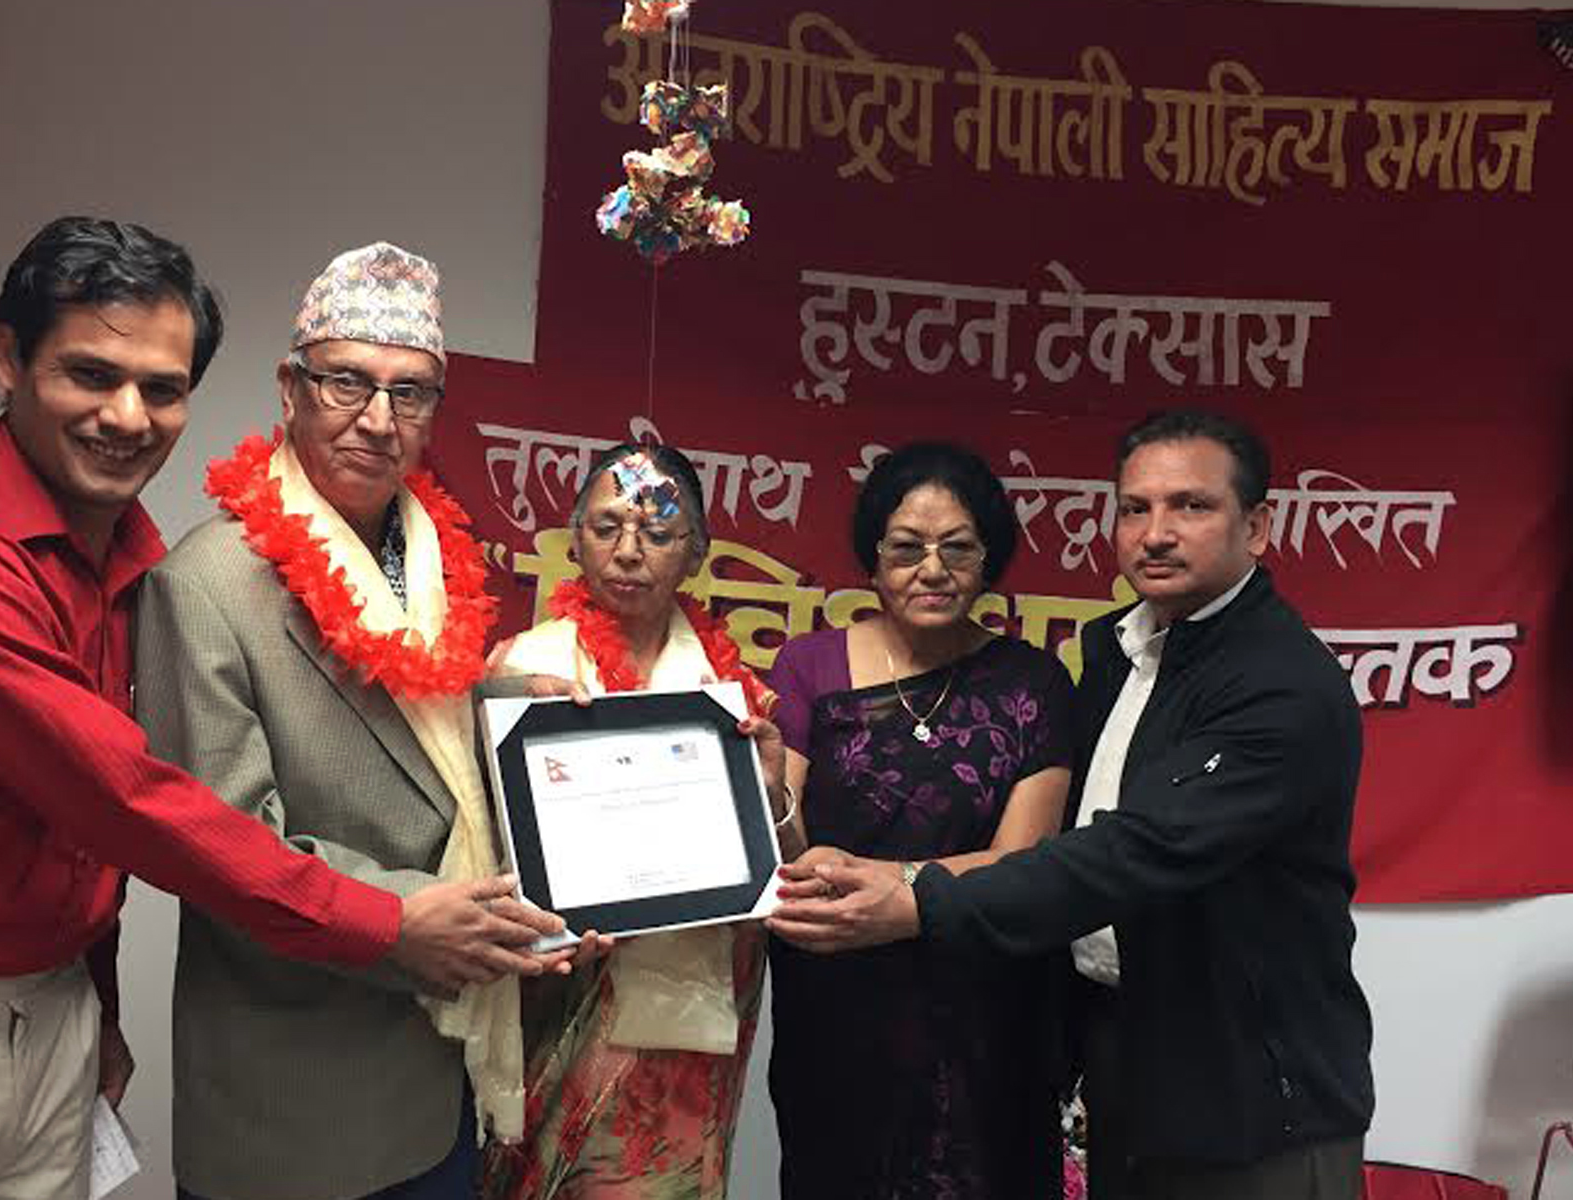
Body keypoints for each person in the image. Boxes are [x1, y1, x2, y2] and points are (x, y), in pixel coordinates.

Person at [0, 217, 537, 1200]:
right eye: (91, 375)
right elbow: (124, 801)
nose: (127, 416)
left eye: (163, 389)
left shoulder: (126, 561)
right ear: (10, 359)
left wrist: (94, 1001)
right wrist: (388, 923)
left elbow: (67, 842)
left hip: (52, 1011)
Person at [769, 410, 1374, 1200]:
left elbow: (1130, 854)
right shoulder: (1122, 653)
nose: (1157, 533)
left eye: (1192, 506)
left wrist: (912, 891)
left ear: (1256, 527)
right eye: (1135, 508)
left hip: (1253, 1099)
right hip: (1127, 1074)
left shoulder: (1279, 684)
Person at [135, 240, 572, 1200]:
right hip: (298, 1094)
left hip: (440, 1072)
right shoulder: (202, 585)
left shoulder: (433, 558)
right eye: (347, 383)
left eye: (409, 392)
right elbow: (222, 849)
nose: (378, 420)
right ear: (289, 389)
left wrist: (521, 722)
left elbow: (422, 735)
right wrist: (403, 922)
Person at [758, 440, 1077, 1199]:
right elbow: (792, 854)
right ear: (873, 560)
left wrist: (892, 887)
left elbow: (1024, 864)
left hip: (985, 1011)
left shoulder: (1034, 680)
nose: (932, 569)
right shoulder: (808, 665)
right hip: (839, 1006)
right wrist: (768, 795)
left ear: (988, 559)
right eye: (907, 548)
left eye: (957, 548)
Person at [479, 442, 786, 1200]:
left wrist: (773, 796)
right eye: (607, 526)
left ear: (696, 552)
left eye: (657, 531)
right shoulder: (519, 671)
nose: (627, 551)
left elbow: (779, 874)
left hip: (684, 1030)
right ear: (574, 538)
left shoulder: (730, 694)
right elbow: (472, 843)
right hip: (555, 994)